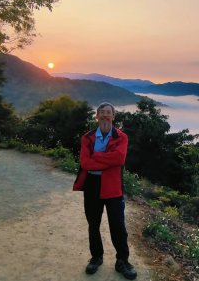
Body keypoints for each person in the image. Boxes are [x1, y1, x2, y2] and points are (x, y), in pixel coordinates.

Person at [72, 102, 137, 280]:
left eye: (108, 113)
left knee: (118, 226)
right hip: (92, 184)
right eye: (102, 113)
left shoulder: (121, 137)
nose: (105, 116)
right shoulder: (87, 137)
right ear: (97, 116)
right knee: (93, 224)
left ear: (114, 116)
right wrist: (107, 161)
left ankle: (122, 261)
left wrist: (97, 157)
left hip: (113, 185)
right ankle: (96, 257)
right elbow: (85, 163)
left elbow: (119, 158)